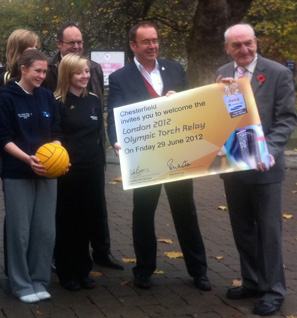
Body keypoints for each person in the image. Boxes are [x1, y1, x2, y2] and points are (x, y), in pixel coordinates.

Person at [106, 21, 211, 291]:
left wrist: (181, 100)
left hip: (177, 153)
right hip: (145, 158)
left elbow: (192, 106)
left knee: (185, 211)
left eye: (155, 40)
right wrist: (116, 141)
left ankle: (199, 270)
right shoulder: (120, 78)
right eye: (146, 42)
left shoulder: (174, 69)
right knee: (143, 213)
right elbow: (115, 117)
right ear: (133, 46)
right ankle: (144, 269)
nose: (152, 45)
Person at [216, 23, 296, 316]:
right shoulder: (222, 73)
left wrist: (269, 151)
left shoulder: (278, 73)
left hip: (266, 169)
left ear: (255, 42)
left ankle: (273, 291)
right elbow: (220, 119)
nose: (244, 50)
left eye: (248, 43)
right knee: (242, 230)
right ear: (227, 48)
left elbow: (286, 119)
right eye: (236, 45)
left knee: (269, 232)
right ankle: (251, 280)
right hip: (235, 167)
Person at [43, 21, 122, 271]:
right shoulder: (48, 70)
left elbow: (97, 103)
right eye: (71, 42)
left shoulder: (94, 69)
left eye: (80, 42)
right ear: (59, 44)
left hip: (92, 151)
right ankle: (64, 258)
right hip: (65, 157)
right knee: (68, 212)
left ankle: (101, 251)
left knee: (96, 207)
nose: (77, 46)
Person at [0, 49, 62, 304]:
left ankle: (39, 279)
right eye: (37, 71)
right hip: (18, 173)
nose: (42, 76)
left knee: (45, 230)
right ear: (23, 69)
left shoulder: (47, 97)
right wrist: (27, 159)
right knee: (20, 232)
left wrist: (58, 156)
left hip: (47, 173)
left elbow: (56, 132)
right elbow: (2, 138)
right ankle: (20, 283)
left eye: (45, 71)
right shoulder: (6, 98)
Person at [54, 54, 105, 291]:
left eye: (87, 72)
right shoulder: (57, 102)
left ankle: (84, 269)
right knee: (67, 222)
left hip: (93, 170)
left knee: (87, 221)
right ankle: (67, 271)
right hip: (68, 172)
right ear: (67, 75)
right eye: (79, 72)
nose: (85, 76)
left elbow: (98, 134)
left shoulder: (94, 100)